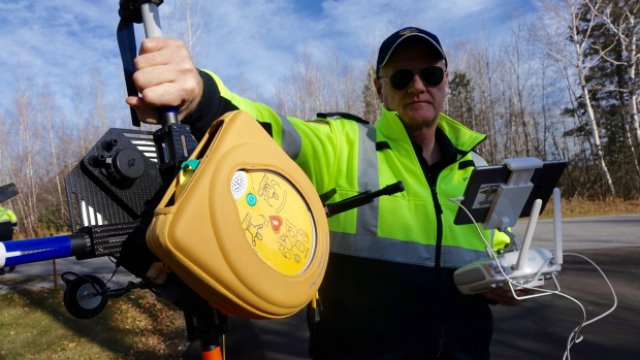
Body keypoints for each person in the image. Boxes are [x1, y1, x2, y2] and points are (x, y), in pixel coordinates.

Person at [127, 26, 523, 359]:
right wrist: (199, 97)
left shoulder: (476, 168)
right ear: (380, 88)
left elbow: (497, 246)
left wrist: (508, 278)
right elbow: (266, 129)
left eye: (430, 75)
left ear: (445, 80)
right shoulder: (344, 144)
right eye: (402, 77)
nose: (418, 86)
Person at [0, 205, 17, 274]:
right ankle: (12, 264)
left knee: (0, 250)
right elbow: (14, 220)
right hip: (8, 231)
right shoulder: (7, 211)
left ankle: (1, 269)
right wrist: (14, 229)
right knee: (9, 248)